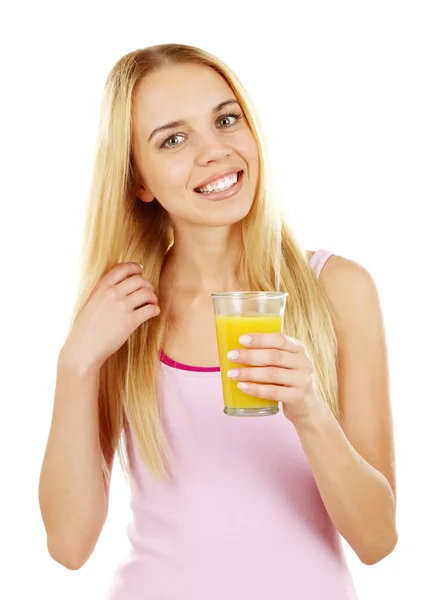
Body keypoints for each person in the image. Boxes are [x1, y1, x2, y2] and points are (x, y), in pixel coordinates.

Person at [38, 43, 398, 599]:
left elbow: (377, 540)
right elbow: (68, 545)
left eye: (226, 120)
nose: (215, 152)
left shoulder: (338, 290)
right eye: (174, 139)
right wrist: (76, 364)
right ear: (139, 180)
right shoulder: (122, 311)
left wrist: (308, 410)